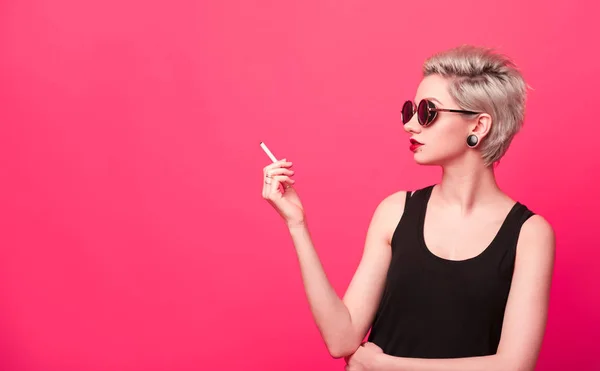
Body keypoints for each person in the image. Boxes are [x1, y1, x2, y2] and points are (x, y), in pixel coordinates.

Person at [261, 45, 555, 371]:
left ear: (478, 126)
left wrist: (384, 365)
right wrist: (297, 224)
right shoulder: (395, 212)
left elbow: (514, 366)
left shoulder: (529, 234)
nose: (411, 125)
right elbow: (341, 339)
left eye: (428, 112)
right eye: (410, 110)